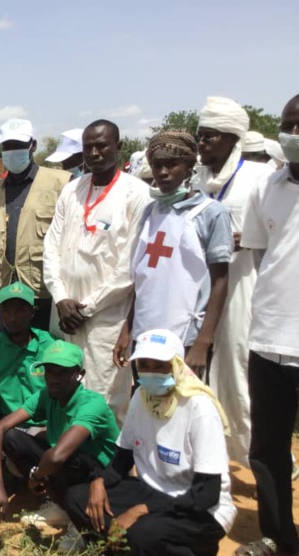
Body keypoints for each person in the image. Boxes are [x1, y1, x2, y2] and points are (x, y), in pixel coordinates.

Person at [64, 329, 235, 556]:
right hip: (155, 492)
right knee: (77, 496)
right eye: (145, 365)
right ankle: (130, 552)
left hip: (202, 510)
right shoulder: (140, 399)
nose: (151, 373)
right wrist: (99, 481)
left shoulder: (199, 408)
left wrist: (143, 509)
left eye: (161, 366)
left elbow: (206, 494)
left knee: (145, 532)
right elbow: (122, 458)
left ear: (177, 366)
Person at [43, 119, 151, 421]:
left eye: (101, 145)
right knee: (70, 389)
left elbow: (130, 264)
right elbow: (51, 248)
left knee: (106, 395)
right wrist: (62, 298)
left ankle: (107, 464)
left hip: (107, 318)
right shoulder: (72, 190)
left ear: (118, 146)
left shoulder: (136, 193)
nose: (94, 152)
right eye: (88, 146)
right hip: (67, 316)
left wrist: (87, 308)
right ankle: (75, 461)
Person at [233, 94, 299, 556]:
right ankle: (278, 533)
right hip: (270, 339)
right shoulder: (268, 187)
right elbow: (259, 253)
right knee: (268, 447)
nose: (292, 135)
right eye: (287, 125)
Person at [114, 131, 232, 380]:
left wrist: (203, 341)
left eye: (171, 164)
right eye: (157, 165)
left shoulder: (211, 213)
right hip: (146, 330)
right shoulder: (150, 212)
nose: (163, 172)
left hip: (186, 333)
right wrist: (128, 328)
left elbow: (220, 281)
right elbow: (144, 276)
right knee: (147, 397)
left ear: (189, 167)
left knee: (184, 401)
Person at [194, 97, 273, 464]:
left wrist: (245, 238)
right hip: (202, 290)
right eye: (200, 136)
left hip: (244, 288)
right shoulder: (198, 179)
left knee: (237, 374)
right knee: (201, 373)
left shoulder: (258, 179)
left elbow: (281, 234)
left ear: (231, 138)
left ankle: (259, 457)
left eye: (210, 137)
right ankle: (213, 456)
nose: (202, 144)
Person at [0, 341, 120, 529]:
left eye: (63, 372)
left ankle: (79, 513)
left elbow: (58, 457)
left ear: (79, 375)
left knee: (65, 456)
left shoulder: (92, 404)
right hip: (66, 463)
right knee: (13, 438)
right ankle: (60, 506)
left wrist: (36, 476)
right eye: (49, 371)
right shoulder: (46, 395)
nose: (54, 379)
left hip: (101, 475)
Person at [0, 119, 72, 336]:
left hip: (42, 296)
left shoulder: (61, 184)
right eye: (7, 147)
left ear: (32, 146)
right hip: (0, 297)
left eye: (18, 145)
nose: (12, 152)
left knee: (43, 362)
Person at [0, 282, 54, 464]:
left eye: (20, 310)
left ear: (33, 312)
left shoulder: (49, 345)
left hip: (45, 428)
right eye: (6, 310)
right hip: (8, 428)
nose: (12, 317)